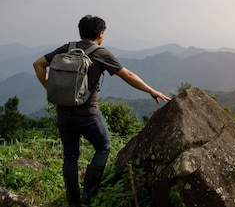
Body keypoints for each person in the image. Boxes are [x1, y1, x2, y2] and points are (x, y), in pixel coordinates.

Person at [33, 15, 170, 207]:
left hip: (64, 113)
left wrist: (51, 90)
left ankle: (73, 202)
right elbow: (128, 75)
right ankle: (88, 196)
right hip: (88, 114)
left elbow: (38, 64)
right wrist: (151, 91)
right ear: (100, 34)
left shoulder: (67, 48)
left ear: (81, 32)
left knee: (70, 155)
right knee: (103, 146)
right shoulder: (100, 53)